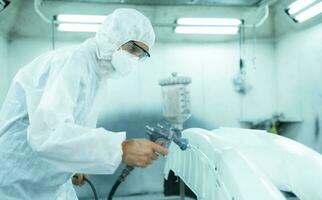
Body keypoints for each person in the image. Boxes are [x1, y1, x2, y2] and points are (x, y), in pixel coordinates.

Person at [0, 8, 168, 199]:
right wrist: (120, 148)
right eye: (132, 49)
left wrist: (75, 164)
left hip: (49, 185)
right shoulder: (72, 62)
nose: (134, 58)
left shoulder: (97, 78)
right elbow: (47, 133)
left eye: (140, 55)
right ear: (112, 36)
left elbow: (71, 130)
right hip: (17, 186)